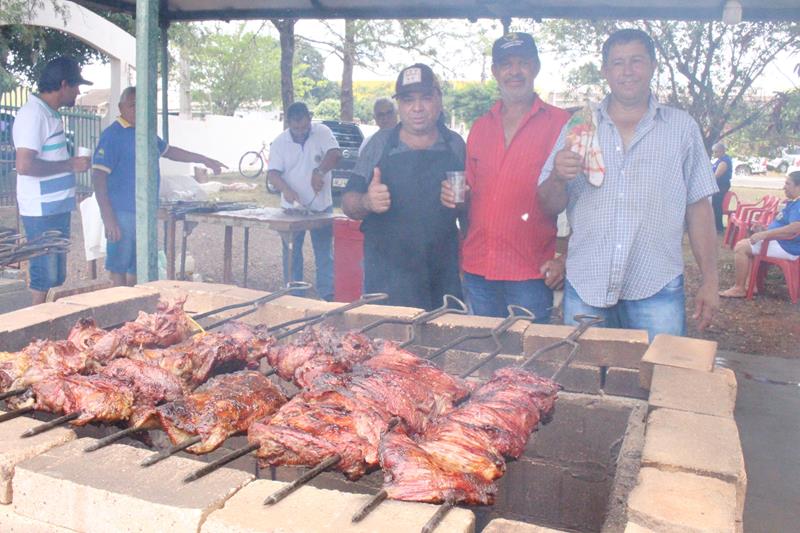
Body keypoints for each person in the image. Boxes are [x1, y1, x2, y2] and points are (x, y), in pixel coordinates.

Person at [537, 29, 719, 339]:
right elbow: (548, 204)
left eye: (636, 61)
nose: (627, 71)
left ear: (652, 66)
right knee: (585, 380)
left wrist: (710, 281)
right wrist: (557, 175)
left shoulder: (681, 128)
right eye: (618, 63)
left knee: (656, 380)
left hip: (657, 285)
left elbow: (699, 208)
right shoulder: (580, 125)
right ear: (606, 71)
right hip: (587, 284)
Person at [441, 32, 568, 322]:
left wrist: (565, 260)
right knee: (482, 355)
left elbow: (585, 202)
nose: (514, 71)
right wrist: (454, 197)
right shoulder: (480, 127)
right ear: (495, 72)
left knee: (527, 361)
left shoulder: (561, 123)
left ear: (536, 67)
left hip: (531, 272)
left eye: (523, 63)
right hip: (478, 268)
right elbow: (468, 199)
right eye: (506, 64)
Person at [342, 63, 465, 310]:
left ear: (438, 100)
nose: (417, 108)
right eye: (408, 100)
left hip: (442, 272)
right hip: (387, 273)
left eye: (426, 98)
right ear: (400, 105)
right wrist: (367, 201)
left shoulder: (455, 144)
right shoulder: (380, 143)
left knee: (444, 341)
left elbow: (469, 209)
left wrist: (462, 201)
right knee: (387, 344)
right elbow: (347, 202)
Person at [91, 86, 226, 287]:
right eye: (132, 105)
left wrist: (204, 159)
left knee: (138, 266)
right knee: (118, 268)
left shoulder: (146, 133)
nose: (138, 110)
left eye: (142, 106)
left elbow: (170, 152)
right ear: (121, 107)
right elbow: (98, 177)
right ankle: (119, 309)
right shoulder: (112, 135)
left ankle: (135, 309)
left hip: (145, 212)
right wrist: (109, 218)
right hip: (122, 212)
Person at [13, 57, 92, 305]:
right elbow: (24, 165)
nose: (78, 92)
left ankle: (49, 331)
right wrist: (70, 164)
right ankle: (36, 333)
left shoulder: (50, 114)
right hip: (41, 210)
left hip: (56, 206)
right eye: (76, 86)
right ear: (63, 84)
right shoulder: (33, 114)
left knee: (57, 276)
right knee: (44, 276)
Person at [267, 102, 340, 300]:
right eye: (295, 127)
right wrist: (286, 189)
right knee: (292, 254)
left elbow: (335, 153)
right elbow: (273, 174)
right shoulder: (280, 142)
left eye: (304, 126)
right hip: (292, 209)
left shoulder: (322, 132)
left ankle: (328, 296)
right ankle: (293, 295)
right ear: (288, 123)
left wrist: (320, 171)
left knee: (324, 253)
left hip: (321, 205)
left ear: (309, 118)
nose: (300, 131)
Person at [719, 171, 800, 298]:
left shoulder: (798, 204)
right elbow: (782, 225)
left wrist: (765, 235)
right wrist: (764, 229)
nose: (784, 187)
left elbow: (795, 228)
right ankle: (750, 285)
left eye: (788, 184)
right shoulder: (793, 202)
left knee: (741, 247)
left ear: (798, 186)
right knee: (749, 245)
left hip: (787, 247)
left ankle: (739, 288)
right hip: (780, 242)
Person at [711, 142, 733, 233]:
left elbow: (717, 175)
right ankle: (715, 226)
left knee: (717, 206)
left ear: (721, 151)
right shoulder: (719, 160)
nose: (714, 154)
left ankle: (718, 228)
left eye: (716, 152)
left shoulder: (724, 161)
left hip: (721, 186)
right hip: (718, 186)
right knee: (715, 205)